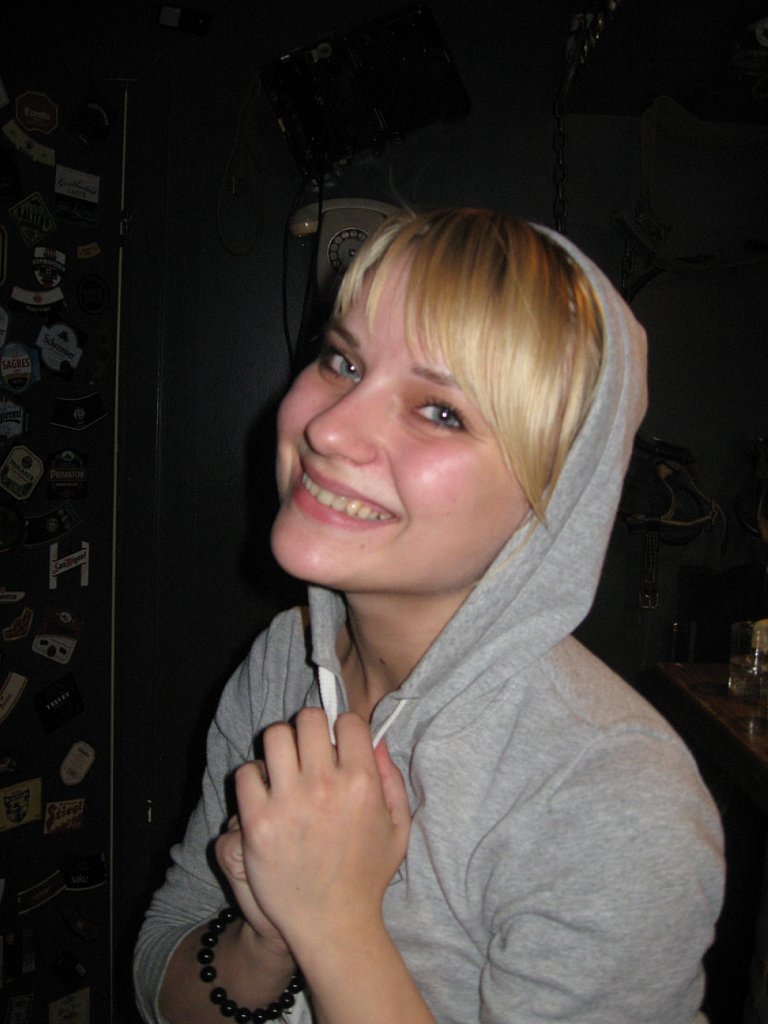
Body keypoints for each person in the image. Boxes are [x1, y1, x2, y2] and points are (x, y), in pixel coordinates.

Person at [134, 208, 724, 1024]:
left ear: (556, 499)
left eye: (440, 411)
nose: (329, 429)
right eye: (343, 361)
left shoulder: (613, 796)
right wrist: (264, 939)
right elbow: (160, 979)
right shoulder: (282, 660)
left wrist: (333, 922)